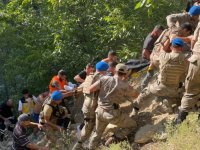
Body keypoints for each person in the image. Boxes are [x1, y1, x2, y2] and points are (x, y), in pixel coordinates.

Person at [88, 63, 137, 150]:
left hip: (99, 111)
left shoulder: (104, 78)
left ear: (115, 70)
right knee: (132, 125)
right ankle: (112, 140)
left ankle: (90, 148)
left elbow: (90, 89)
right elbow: (136, 95)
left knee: (97, 133)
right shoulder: (125, 85)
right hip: (112, 114)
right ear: (125, 74)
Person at [135, 38, 189, 112]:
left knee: (143, 95)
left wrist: (168, 38)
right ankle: (169, 101)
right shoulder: (186, 60)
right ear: (182, 48)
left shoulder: (163, 56)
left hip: (160, 87)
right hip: (174, 90)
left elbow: (161, 49)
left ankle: (134, 111)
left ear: (171, 47)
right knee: (179, 96)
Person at [141, 22, 193, 90]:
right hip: (160, 58)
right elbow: (174, 42)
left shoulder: (170, 29)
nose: (186, 35)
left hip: (154, 56)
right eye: (187, 33)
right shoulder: (177, 32)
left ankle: (146, 88)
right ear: (185, 30)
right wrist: (189, 40)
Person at [72, 61, 109, 150]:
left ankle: (85, 143)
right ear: (104, 70)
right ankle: (78, 146)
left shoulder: (89, 77)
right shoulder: (100, 78)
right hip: (91, 107)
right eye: (106, 70)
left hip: (87, 105)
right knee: (89, 127)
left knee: (90, 126)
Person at [176, 22, 200, 124]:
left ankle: (178, 123)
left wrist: (193, 51)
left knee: (190, 91)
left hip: (198, 58)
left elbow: (194, 39)